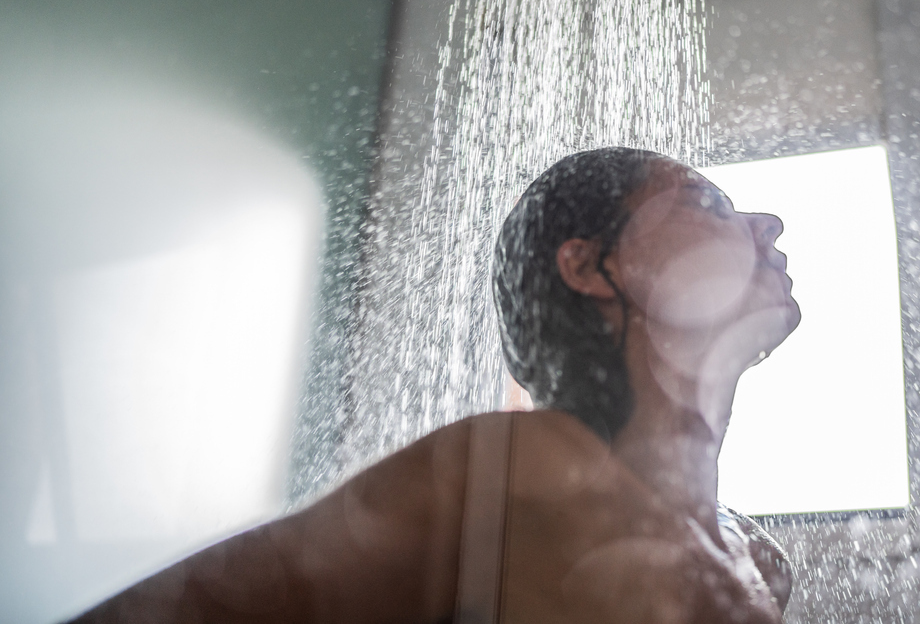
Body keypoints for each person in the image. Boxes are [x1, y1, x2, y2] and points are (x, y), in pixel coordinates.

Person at [70, 147, 801, 624]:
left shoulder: (755, 554)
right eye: (704, 205)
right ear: (588, 268)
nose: (763, 223)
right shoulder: (525, 471)